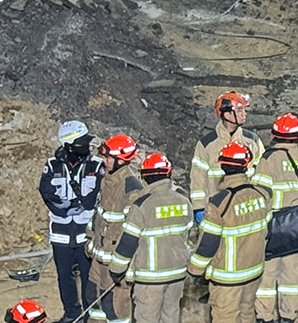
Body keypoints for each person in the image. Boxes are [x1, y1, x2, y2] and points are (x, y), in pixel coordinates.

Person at [188, 143, 272, 323]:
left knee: (226, 317)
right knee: (247, 314)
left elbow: (207, 244)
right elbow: (266, 229)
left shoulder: (219, 203)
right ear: (247, 164)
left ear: (222, 165)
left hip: (228, 278)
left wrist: (195, 270)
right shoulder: (262, 195)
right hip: (254, 271)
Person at [109, 153, 192, 323]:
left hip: (150, 278)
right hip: (177, 274)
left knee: (147, 318)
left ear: (144, 177)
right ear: (168, 174)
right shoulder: (184, 202)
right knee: (170, 316)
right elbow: (186, 234)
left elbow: (127, 244)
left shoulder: (141, 205)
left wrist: (116, 270)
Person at [252, 114, 298, 323]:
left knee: (268, 273)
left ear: (274, 134)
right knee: (290, 272)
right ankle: (289, 315)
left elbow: (259, 194)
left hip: (273, 223)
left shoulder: (268, 159)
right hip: (297, 225)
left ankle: (265, 316)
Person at [40, 121, 104, 323]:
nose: (87, 146)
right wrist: (65, 208)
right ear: (69, 146)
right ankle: (71, 313)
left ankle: (88, 315)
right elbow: (46, 192)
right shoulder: (52, 165)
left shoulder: (96, 165)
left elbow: (100, 192)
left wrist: (84, 204)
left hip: (86, 233)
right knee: (64, 276)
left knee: (88, 276)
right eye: (82, 143)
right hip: (61, 231)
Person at [87, 135, 142, 323]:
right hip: (99, 255)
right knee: (93, 296)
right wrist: (90, 239)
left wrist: (126, 266)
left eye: (109, 157)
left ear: (121, 160)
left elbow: (134, 231)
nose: (105, 161)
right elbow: (98, 214)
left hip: (115, 260)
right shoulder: (107, 180)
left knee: (114, 306)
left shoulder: (131, 189)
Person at [190, 91, 263, 221]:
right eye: (239, 110)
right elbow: (198, 179)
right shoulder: (207, 144)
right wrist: (199, 207)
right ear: (227, 114)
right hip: (217, 208)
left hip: (245, 207)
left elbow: (262, 172)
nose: (244, 114)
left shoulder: (252, 141)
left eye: (244, 110)